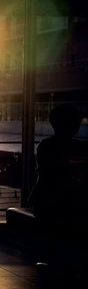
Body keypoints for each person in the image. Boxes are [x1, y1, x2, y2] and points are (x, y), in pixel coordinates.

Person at [30, 105, 88, 273]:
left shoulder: (46, 146)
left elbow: (46, 175)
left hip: (48, 200)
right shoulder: (80, 147)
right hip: (60, 201)